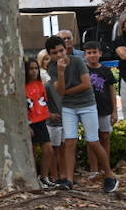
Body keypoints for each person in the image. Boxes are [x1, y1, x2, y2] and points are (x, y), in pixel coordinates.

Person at [49, 35, 117, 193]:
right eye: (55, 53)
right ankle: (69, 179)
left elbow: (86, 85)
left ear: (65, 49)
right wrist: (60, 72)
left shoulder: (78, 61)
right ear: (50, 54)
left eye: (61, 51)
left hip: (87, 104)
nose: (59, 55)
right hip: (68, 107)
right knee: (70, 142)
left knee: (93, 140)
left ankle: (109, 175)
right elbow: (58, 91)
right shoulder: (53, 67)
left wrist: (65, 91)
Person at [25, 57, 56, 188]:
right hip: (30, 123)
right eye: (31, 69)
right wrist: (27, 124)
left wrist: (49, 114)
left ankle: (44, 177)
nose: (34, 71)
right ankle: (32, 178)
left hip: (41, 122)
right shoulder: (23, 86)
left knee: (48, 150)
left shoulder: (40, 84)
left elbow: (42, 103)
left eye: (36, 68)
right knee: (32, 152)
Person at [84, 42, 119, 158]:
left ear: (100, 54)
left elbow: (112, 91)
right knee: (92, 139)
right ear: (85, 55)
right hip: (89, 109)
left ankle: (105, 165)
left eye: (95, 52)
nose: (92, 55)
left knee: (105, 137)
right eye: (89, 53)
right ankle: (93, 169)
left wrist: (115, 111)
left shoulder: (106, 70)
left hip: (105, 109)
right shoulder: (83, 71)